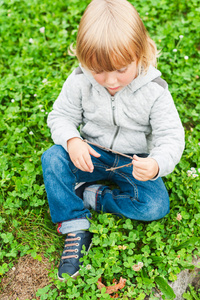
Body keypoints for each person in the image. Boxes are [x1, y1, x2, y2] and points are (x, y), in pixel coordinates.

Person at [41, 0, 185, 281]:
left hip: (133, 162)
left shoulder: (155, 92)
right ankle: (74, 225)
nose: (110, 80)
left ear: (140, 54)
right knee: (52, 158)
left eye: (121, 69)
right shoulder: (80, 79)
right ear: (84, 60)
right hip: (91, 153)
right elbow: (60, 116)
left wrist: (156, 164)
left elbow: (171, 137)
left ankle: (92, 195)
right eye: (99, 71)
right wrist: (72, 140)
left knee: (155, 206)